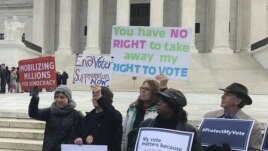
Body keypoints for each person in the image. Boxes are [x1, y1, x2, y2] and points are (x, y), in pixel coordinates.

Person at [127, 88, 203, 151]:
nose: (158, 103)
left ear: (173, 106)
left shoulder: (188, 130)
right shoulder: (146, 125)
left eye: (164, 101)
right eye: (158, 100)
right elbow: (132, 147)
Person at [203, 83, 262, 151]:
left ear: (238, 101)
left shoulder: (252, 125)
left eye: (227, 95)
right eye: (223, 94)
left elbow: (255, 149)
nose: (222, 97)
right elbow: (199, 143)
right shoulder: (209, 117)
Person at [28, 85, 83, 151]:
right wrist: (34, 98)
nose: (58, 99)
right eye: (56, 97)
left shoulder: (76, 115)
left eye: (62, 97)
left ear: (68, 98)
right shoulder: (49, 112)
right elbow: (33, 114)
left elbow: (85, 129)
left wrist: (78, 138)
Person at [121, 74, 168, 151]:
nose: (143, 91)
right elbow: (124, 131)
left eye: (147, 89)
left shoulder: (159, 111)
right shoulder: (132, 109)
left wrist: (163, 88)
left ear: (154, 92)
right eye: (142, 88)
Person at [74, 85, 122, 151]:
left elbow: (113, 116)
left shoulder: (115, 115)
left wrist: (100, 99)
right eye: (93, 95)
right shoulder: (88, 117)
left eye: (97, 96)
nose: (94, 98)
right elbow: (78, 132)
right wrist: (77, 138)